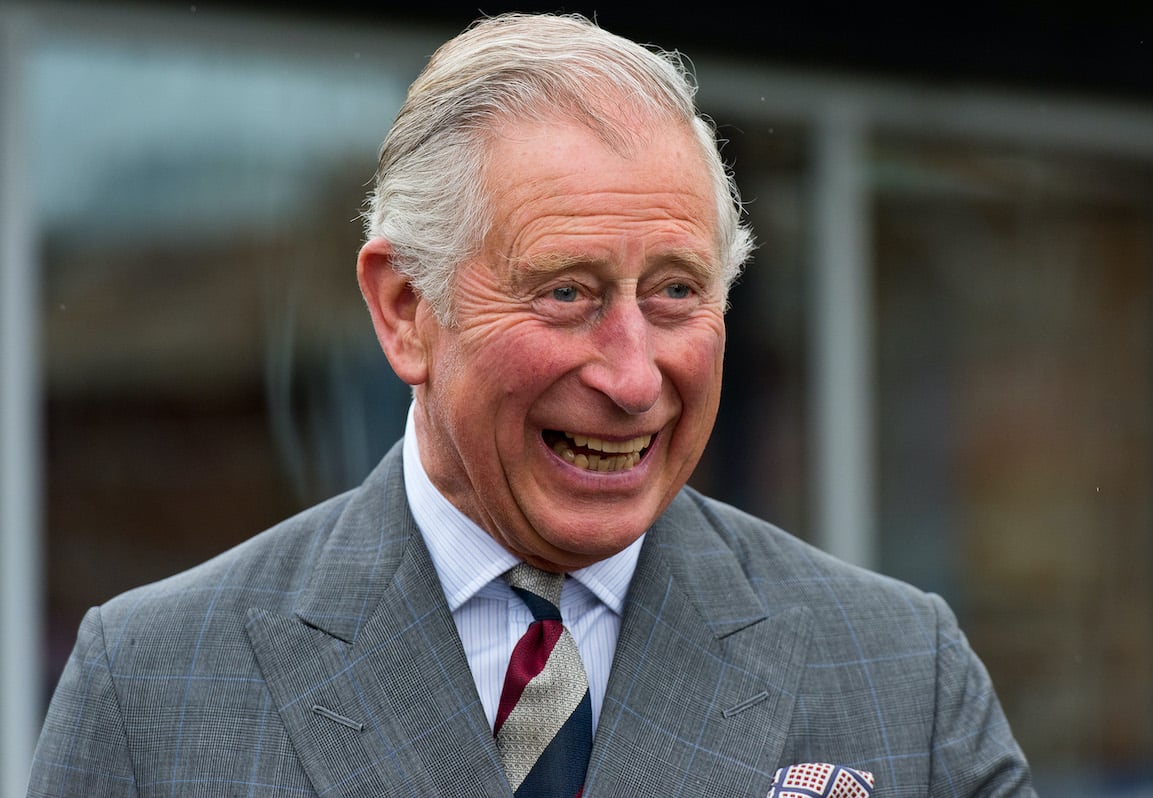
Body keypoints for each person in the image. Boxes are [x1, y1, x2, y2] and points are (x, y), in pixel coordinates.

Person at [27, 12, 1036, 798]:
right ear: (406, 311)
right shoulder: (155, 686)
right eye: (568, 293)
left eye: (678, 291)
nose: (634, 377)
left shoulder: (903, 674)